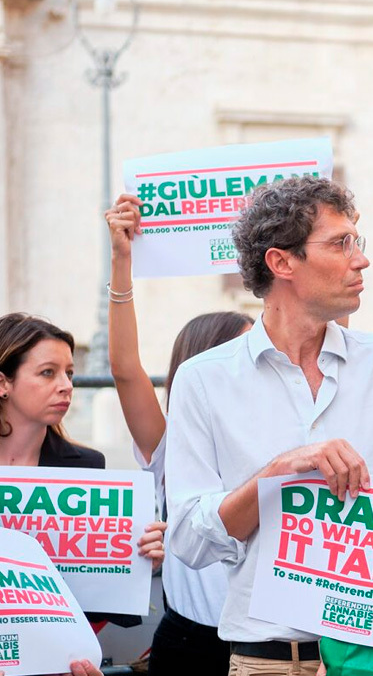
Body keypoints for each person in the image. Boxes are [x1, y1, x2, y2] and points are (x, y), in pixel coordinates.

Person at [165, 176, 373, 675]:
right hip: (266, 662)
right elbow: (188, 539)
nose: (361, 260)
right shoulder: (203, 379)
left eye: (356, 241)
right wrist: (277, 473)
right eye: (340, 244)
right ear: (282, 262)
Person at [105, 193, 253, 674]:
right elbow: (125, 368)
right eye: (243, 353)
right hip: (189, 642)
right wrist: (122, 259)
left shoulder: (281, 431)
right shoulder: (171, 441)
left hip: (263, 644)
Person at [0, 313, 165, 672]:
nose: (66, 386)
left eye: (70, 373)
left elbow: (95, 594)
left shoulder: (87, 468)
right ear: (3, 383)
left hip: (53, 662)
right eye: (48, 373)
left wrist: (137, 559)